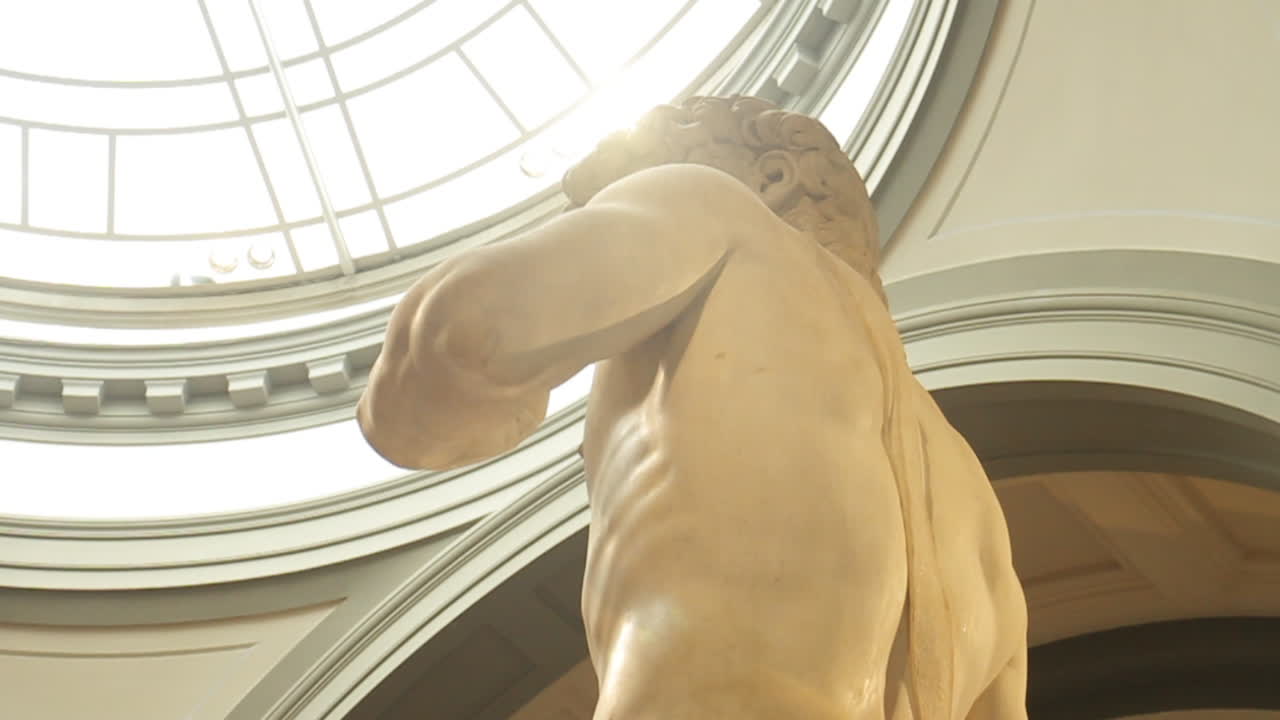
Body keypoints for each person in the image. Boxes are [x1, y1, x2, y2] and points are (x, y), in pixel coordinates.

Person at [358, 96, 1027, 719]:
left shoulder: (713, 205)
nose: (591, 224)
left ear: (769, 177)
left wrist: (477, 405)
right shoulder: (975, 507)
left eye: (614, 196)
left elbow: (460, 336)